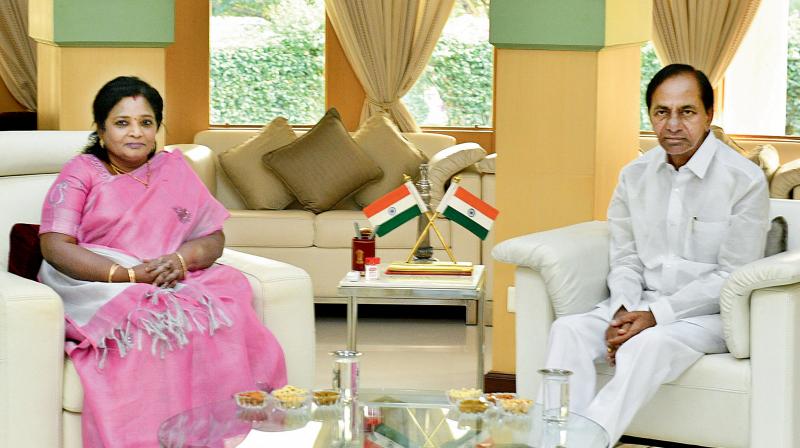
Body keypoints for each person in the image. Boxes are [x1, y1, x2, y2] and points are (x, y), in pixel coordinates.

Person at [38, 76, 287, 447]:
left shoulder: (174, 169)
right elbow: (55, 245)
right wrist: (126, 274)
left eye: (146, 122)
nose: (135, 132)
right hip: (94, 278)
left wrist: (180, 260)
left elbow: (212, 237)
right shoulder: (82, 171)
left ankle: (217, 429)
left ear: (157, 128)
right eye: (122, 123)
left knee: (227, 296)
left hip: (166, 274)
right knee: (149, 320)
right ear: (101, 129)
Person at [542, 64, 769, 444]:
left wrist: (653, 317)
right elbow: (626, 256)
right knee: (567, 330)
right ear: (650, 115)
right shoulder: (634, 175)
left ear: (709, 115)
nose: (673, 125)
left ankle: (585, 442)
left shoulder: (744, 180)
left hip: (710, 316)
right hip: (640, 303)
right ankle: (553, 440)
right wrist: (625, 310)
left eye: (687, 111)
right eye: (662, 112)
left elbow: (733, 275)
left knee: (648, 343)